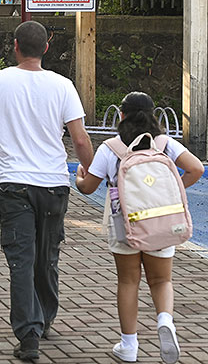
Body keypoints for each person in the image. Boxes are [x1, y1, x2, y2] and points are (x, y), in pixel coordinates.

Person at [0, 20, 94, 362]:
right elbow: (81, 138)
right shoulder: (63, 85)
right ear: (46, 47)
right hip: (54, 184)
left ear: (14, 46)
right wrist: (91, 171)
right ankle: (46, 318)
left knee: (20, 260)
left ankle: (28, 335)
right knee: (47, 254)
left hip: (12, 185)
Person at [75, 92, 203, 364]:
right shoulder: (165, 144)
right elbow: (196, 169)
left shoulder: (111, 148)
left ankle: (129, 346)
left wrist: (78, 179)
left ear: (121, 115)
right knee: (162, 280)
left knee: (128, 281)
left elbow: (88, 188)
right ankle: (165, 320)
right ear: (153, 116)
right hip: (162, 220)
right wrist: (173, 192)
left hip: (124, 222)